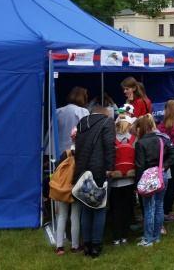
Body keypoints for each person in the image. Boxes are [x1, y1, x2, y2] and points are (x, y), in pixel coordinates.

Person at [73, 106, 115, 258]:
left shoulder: (82, 123)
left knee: (86, 208)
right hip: (100, 170)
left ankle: (87, 245)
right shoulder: (107, 122)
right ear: (106, 113)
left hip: (82, 170)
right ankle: (96, 245)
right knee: (99, 207)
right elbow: (109, 146)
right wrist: (110, 168)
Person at [134, 114, 174, 246]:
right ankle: (156, 236)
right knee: (159, 206)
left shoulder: (140, 143)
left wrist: (137, 184)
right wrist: (164, 166)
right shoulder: (161, 139)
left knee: (149, 208)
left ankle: (148, 238)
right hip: (161, 174)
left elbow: (140, 166)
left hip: (147, 177)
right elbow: (173, 153)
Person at [109, 118, 136, 246]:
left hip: (115, 180)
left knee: (115, 209)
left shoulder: (111, 139)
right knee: (127, 208)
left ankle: (116, 237)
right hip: (130, 179)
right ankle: (125, 236)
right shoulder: (133, 138)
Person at [53, 128, 81, 255]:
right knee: (75, 217)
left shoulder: (65, 153)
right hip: (76, 188)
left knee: (62, 216)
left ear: (71, 138)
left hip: (63, 188)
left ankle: (59, 246)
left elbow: (57, 170)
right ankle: (75, 246)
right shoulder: (83, 153)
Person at [54, 87, 89, 156]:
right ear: (84, 98)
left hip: (59, 151)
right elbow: (87, 131)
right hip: (75, 151)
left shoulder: (58, 111)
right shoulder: (83, 111)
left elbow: (51, 133)